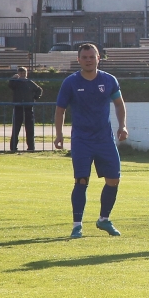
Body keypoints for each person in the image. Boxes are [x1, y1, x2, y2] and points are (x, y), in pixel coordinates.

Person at [54, 43, 128, 239]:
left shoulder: (109, 80)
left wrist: (122, 126)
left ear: (98, 58)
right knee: (81, 180)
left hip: (104, 139)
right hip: (82, 140)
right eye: (85, 57)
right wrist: (59, 134)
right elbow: (60, 109)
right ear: (78, 60)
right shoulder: (70, 82)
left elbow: (119, 104)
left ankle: (104, 219)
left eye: (92, 57)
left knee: (114, 180)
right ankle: (77, 225)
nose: (88, 60)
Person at [8, 66, 42, 153]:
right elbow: (10, 86)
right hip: (18, 106)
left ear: (26, 74)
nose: (23, 75)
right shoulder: (16, 82)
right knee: (16, 127)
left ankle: (31, 147)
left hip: (28, 106)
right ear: (18, 74)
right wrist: (13, 78)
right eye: (21, 73)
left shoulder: (29, 82)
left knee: (30, 128)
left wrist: (35, 97)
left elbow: (39, 90)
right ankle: (13, 147)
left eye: (24, 73)